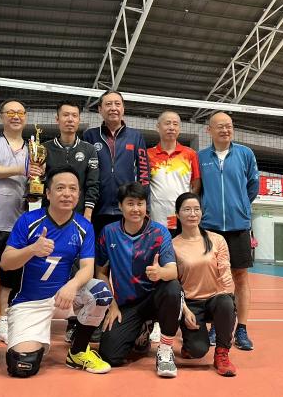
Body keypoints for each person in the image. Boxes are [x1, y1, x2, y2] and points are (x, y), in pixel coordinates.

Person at [0, 165, 113, 377]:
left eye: (73, 189)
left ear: (79, 194)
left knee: (100, 293)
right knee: (22, 366)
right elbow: (6, 263)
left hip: (63, 297)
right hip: (29, 302)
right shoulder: (28, 220)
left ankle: (78, 352)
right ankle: (33, 337)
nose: (67, 194)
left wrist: (72, 285)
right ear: (48, 193)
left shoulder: (84, 226)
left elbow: (88, 268)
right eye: (60, 188)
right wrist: (32, 249)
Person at [0, 99, 44, 345]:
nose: (16, 116)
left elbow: (33, 184)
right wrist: (21, 169)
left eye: (21, 112)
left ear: (26, 117)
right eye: (11, 112)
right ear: (2, 116)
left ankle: (4, 322)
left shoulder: (34, 147)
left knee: (11, 279)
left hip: (17, 225)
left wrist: (35, 187)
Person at [96, 182, 182, 378]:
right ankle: (142, 330)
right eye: (130, 203)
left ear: (146, 205)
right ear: (120, 206)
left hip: (156, 299)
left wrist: (160, 272)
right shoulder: (109, 233)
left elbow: (172, 272)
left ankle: (165, 349)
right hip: (128, 304)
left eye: (140, 203)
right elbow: (100, 273)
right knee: (110, 355)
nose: (136, 209)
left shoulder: (159, 232)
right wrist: (112, 304)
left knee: (172, 287)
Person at [198, 112, 259, 351]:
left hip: (239, 226)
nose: (225, 130)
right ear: (209, 130)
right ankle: (218, 326)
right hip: (211, 227)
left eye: (229, 126)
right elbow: (197, 189)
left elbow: (253, 186)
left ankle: (241, 329)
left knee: (240, 277)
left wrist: (240, 206)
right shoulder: (201, 157)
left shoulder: (245, 154)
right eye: (220, 126)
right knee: (215, 279)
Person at [42, 100, 100, 342]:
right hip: (50, 221)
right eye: (65, 115)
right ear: (57, 119)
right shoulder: (44, 148)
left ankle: (76, 322)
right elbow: (38, 183)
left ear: (79, 120)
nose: (70, 119)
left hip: (78, 221)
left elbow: (93, 185)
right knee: (46, 265)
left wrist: (86, 217)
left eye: (74, 116)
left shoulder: (88, 150)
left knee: (79, 270)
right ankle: (39, 318)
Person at [147, 110, 200, 342]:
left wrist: (187, 212)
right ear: (158, 127)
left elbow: (195, 184)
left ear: (179, 128)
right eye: (167, 123)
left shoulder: (190, 154)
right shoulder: (148, 154)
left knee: (184, 272)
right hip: (156, 224)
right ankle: (157, 321)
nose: (171, 127)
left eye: (175, 124)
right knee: (159, 271)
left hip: (181, 225)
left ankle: (185, 316)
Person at [172, 193, 237, 377]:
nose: (192, 214)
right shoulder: (173, 245)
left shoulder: (217, 240)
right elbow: (174, 282)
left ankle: (222, 354)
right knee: (197, 351)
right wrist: (184, 310)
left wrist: (227, 283)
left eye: (196, 209)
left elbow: (224, 268)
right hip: (191, 304)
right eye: (187, 209)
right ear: (177, 214)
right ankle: (189, 345)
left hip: (215, 299)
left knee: (226, 303)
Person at [82, 90, 150, 238]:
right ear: (100, 109)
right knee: (97, 250)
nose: (113, 108)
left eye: (117, 104)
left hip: (126, 208)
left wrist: (146, 206)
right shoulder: (90, 135)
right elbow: (84, 172)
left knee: (124, 250)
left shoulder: (135, 136)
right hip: (97, 209)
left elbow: (144, 173)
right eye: (108, 104)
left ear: (123, 109)